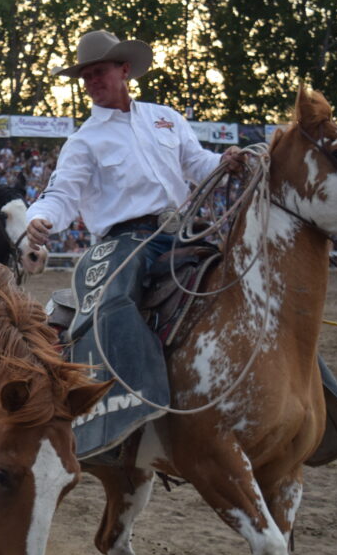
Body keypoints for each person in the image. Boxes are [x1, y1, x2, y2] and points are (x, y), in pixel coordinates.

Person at [24, 29, 243, 458]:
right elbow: (63, 193)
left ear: (125, 70)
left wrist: (226, 162)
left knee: (247, 280)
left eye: (99, 72)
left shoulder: (166, 118)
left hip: (183, 231)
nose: (91, 82)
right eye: (85, 76)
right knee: (113, 300)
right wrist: (41, 218)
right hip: (126, 240)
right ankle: (123, 407)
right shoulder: (84, 140)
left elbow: (198, 164)